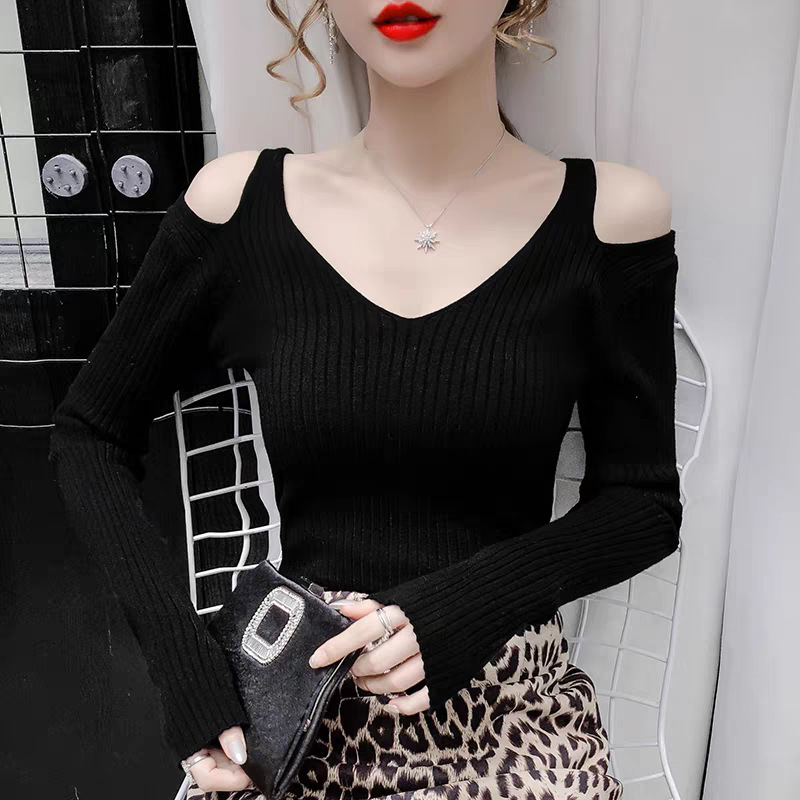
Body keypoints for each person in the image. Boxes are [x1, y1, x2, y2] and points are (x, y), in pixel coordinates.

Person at [48, 1, 683, 797]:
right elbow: (90, 433)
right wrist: (189, 669)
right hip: (294, 720)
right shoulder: (241, 207)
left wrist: (467, 606)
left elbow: (642, 501)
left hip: (513, 722)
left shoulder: (608, 218)